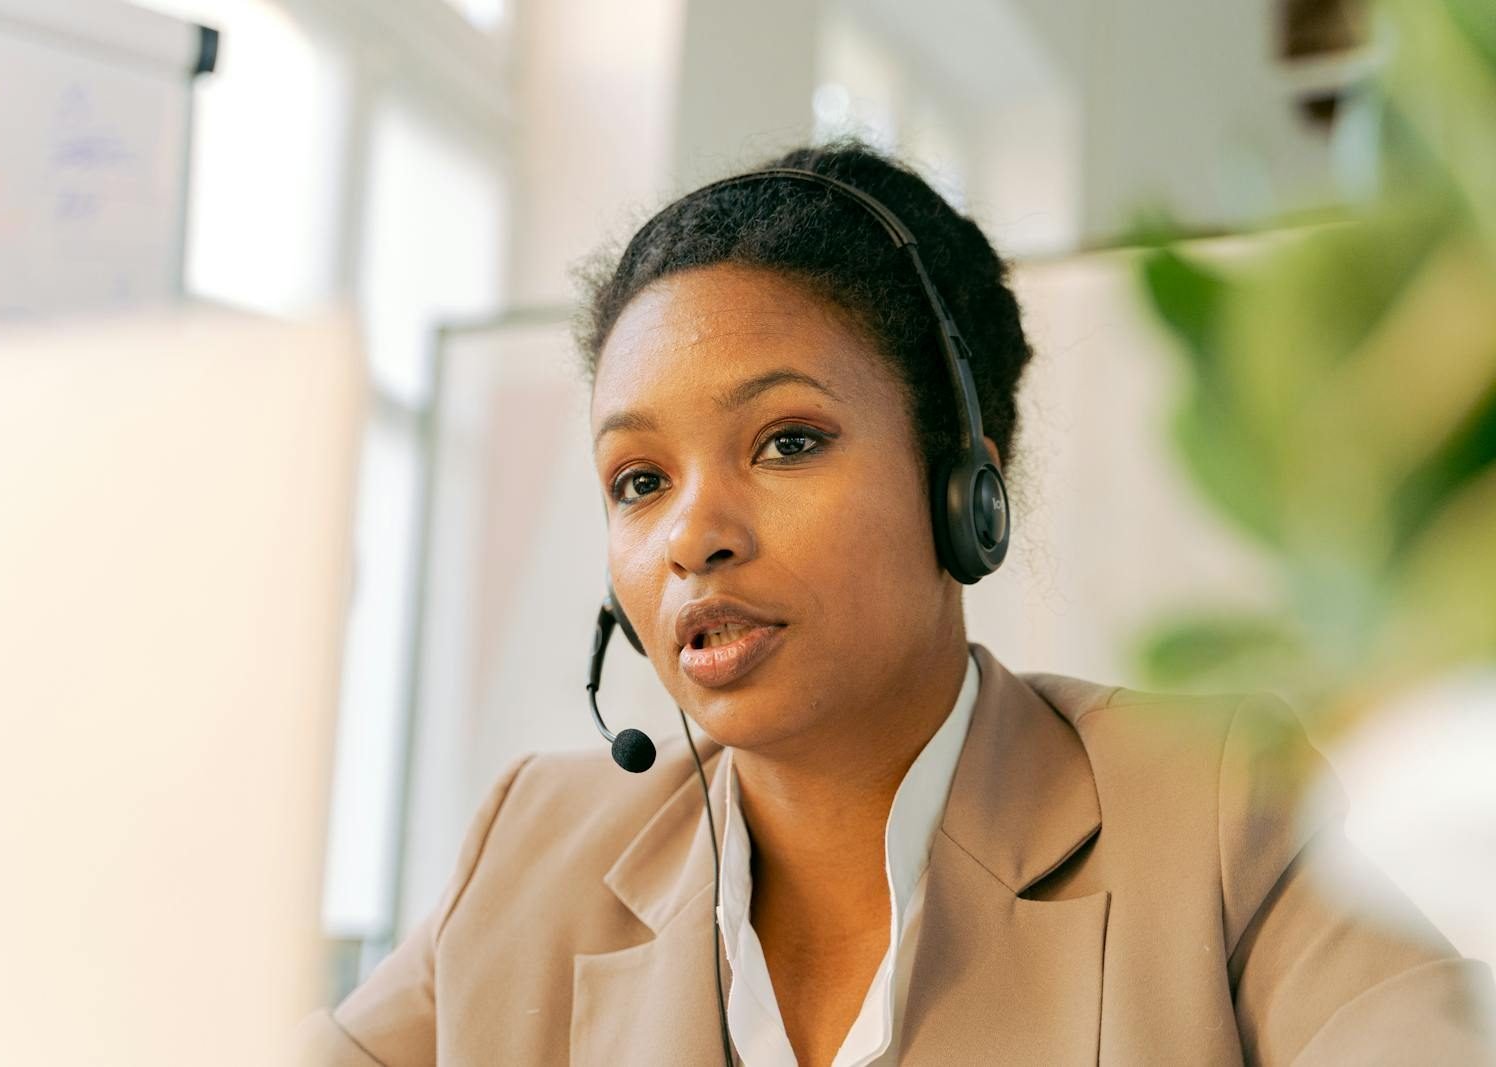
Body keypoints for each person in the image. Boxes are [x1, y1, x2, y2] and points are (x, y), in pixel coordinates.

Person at [298, 141, 1496, 1065]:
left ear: (958, 480)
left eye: (787, 439)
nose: (690, 535)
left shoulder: (1217, 802)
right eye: (640, 479)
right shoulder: (534, 848)